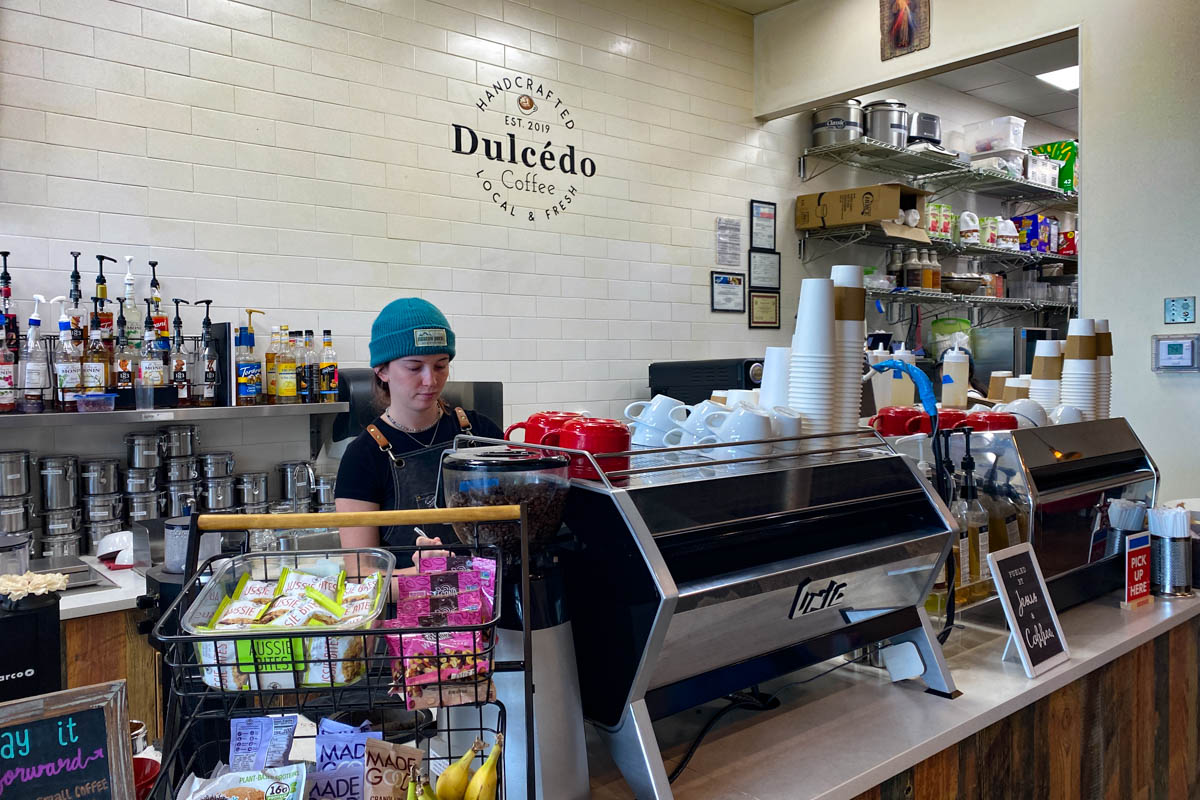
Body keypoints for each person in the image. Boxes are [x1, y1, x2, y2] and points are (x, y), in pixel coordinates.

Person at [336, 298, 502, 548]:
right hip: (414, 587)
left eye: (441, 366)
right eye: (414, 367)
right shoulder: (362, 457)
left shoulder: (480, 431)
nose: (431, 380)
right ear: (382, 371)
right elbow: (363, 574)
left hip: (491, 586)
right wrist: (418, 573)